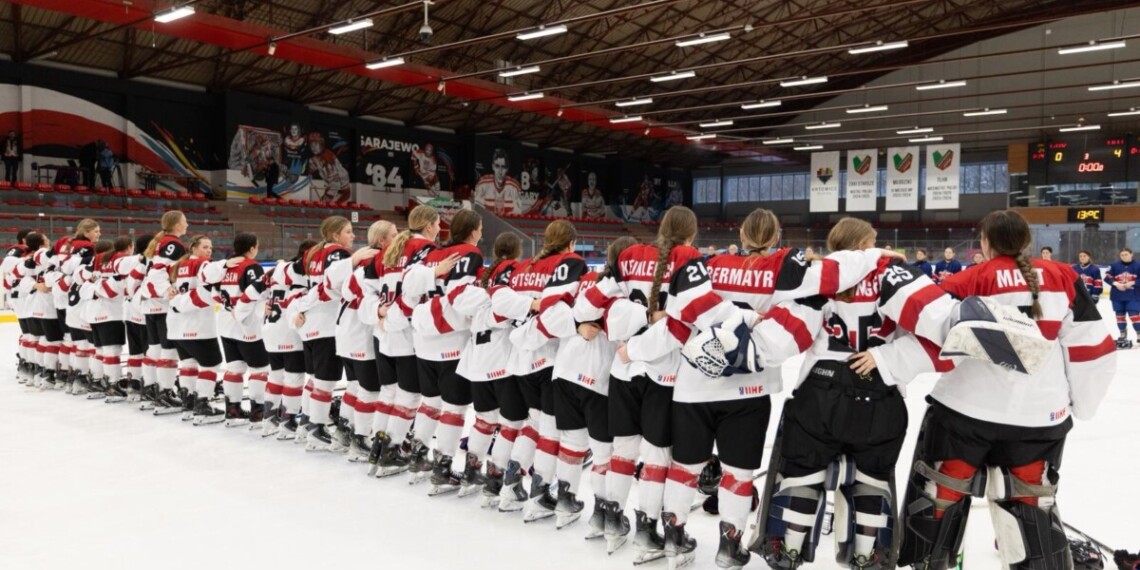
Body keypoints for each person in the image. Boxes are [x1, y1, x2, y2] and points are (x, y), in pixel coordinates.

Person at [641, 212, 901, 570]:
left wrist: (641, 350)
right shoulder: (785, 268)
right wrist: (873, 255)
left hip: (693, 385)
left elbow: (679, 314)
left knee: (684, 466)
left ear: (741, 233)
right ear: (777, 235)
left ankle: (674, 538)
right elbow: (833, 278)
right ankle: (729, 548)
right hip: (749, 388)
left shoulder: (708, 263)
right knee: (738, 472)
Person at [898, 210, 1116, 570]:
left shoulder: (968, 278)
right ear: (1026, 241)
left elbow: (927, 337)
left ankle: (934, 560)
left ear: (985, 242)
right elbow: (1095, 350)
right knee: (1032, 503)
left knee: (940, 498)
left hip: (964, 413)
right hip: (1039, 419)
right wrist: (1080, 404)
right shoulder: (1064, 276)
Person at [493, 220, 588, 522]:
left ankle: (511, 482)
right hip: (546, 357)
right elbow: (558, 307)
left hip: (519, 360)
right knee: (549, 428)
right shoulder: (570, 262)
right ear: (571, 243)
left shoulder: (522, 268)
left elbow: (505, 307)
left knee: (533, 423)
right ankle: (540, 494)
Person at [399, 210, 484, 491]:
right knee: (455, 408)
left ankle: (418, 456)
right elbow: (463, 300)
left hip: (423, 342)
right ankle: (443, 467)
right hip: (452, 343)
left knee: (430, 402)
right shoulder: (470, 253)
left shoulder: (429, 254)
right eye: (480, 228)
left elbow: (408, 290)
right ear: (473, 231)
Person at [361, 205, 444, 476]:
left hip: (383, 333)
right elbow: (414, 293)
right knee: (409, 395)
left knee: (389, 392)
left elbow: (365, 291)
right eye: (439, 223)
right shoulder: (426, 252)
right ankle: (393, 450)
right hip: (406, 333)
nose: (440, 228)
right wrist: (392, 316)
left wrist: (379, 312)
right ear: (430, 225)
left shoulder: (388, 251)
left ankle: (379, 445)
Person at [288, 216, 363, 449]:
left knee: (315, 380)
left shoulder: (311, 253)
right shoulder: (339, 254)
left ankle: (306, 425)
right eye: (348, 232)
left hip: (310, 325)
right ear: (335, 235)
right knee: (326, 381)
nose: (353, 236)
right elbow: (331, 288)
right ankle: (317, 429)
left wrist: (300, 307)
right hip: (327, 324)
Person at [336, 220, 397, 460]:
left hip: (347, 332)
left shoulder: (365, 260)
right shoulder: (375, 262)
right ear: (382, 241)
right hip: (359, 333)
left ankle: (345, 431)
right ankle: (360, 440)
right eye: (395, 234)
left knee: (356, 386)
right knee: (370, 389)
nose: (400, 237)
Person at [215, 232, 272, 428]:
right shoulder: (251, 266)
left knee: (235, 369)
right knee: (259, 369)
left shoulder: (225, 266)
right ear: (251, 248)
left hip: (225, 322)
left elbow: (214, 292)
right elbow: (254, 293)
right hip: (246, 324)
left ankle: (232, 410)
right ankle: (258, 414)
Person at [167, 235, 225, 424]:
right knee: (212, 363)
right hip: (196, 325)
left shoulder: (178, 266)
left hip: (176, 325)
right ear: (193, 248)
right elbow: (204, 293)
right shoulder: (201, 265)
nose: (209, 250)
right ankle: (202, 404)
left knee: (189, 364)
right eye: (205, 246)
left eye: (211, 247)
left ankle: (188, 404)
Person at [262, 239, 315, 439]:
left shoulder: (279, 269)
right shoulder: (299, 273)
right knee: (294, 377)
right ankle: (287, 421)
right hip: (288, 331)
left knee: (276, 376)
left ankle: (269, 419)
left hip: (270, 329)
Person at [140, 211, 190, 414]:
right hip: (161, 304)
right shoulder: (174, 243)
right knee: (168, 350)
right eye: (185, 221)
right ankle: (165, 394)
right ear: (177, 224)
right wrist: (166, 290)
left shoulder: (162, 241)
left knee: (154, 349)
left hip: (151, 303)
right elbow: (160, 271)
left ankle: (150, 390)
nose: (187, 224)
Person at [1105, 247, 1140, 347]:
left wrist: (1133, 282)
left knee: (1134, 315)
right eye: (1122, 255)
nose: (1124, 256)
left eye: (1126, 254)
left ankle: (1139, 332)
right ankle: (1123, 333)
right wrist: (1115, 283)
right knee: (1120, 316)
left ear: (1131, 254)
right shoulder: (1114, 265)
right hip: (1117, 295)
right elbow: (1107, 276)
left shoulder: (1138, 265)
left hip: (1134, 295)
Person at [473, 149, 522, 215]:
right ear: (493, 167)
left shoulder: (514, 187)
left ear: (507, 169)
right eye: (497, 166)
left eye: (503, 167)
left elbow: (518, 213)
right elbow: (477, 211)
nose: (500, 171)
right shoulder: (483, 184)